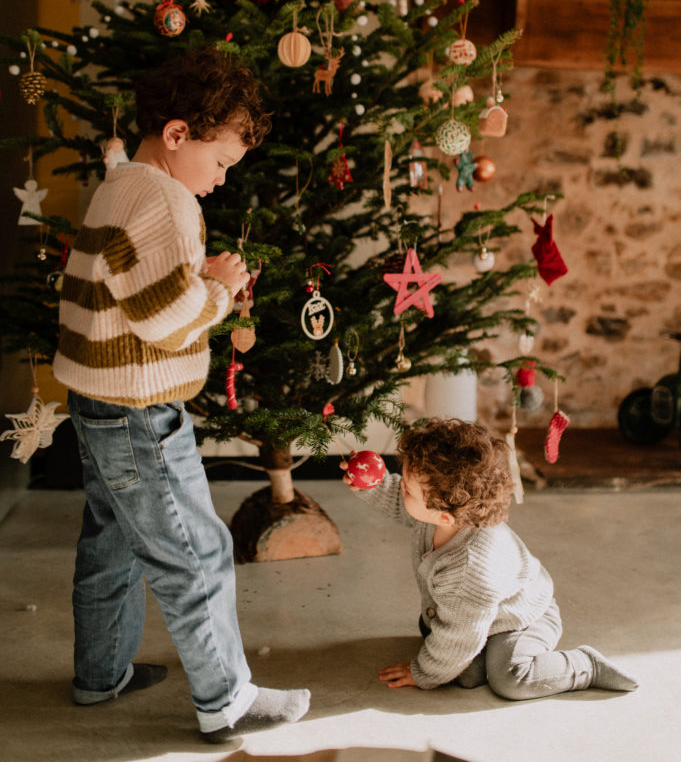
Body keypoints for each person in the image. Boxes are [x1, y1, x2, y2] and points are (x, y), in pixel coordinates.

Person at [53, 47, 310, 746]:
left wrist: (194, 277)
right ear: (176, 135)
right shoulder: (166, 197)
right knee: (193, 550)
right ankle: (225, 700)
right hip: (141, 413)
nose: (222, 179)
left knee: (113, 542)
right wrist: (220, 286)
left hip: (99, 400)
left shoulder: (120, 184)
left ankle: (99, 674)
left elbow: (131, 290)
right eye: (220, 161)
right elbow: (163, 319)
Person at [341, 418, 639, 699]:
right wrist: (371, 484)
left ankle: (584, 665)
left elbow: (460, 635)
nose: (399, 488)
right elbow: (399, 502)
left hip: (522, 617)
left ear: (443, 515)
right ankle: (465, 654)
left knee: (509, 678)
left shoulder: (471, 567)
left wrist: (424, 673)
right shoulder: (444, 514)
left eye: (407, 488)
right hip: (474, 614)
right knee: (464, 671)